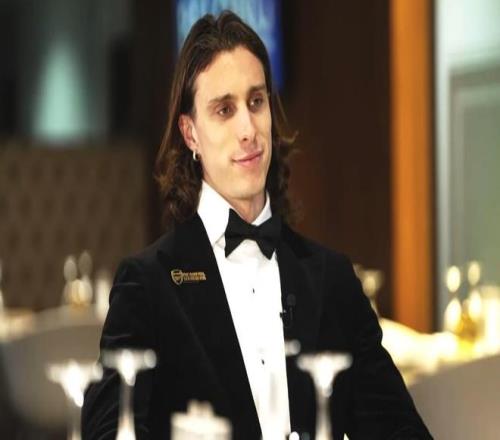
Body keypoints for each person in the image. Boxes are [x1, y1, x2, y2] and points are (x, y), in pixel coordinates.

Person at [82, 10, 432, 440]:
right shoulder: (147, 284)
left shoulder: (333, 279)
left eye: (256, 102)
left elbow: (401, 430)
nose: (248, 129)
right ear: (190, 134)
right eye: (224, 110)